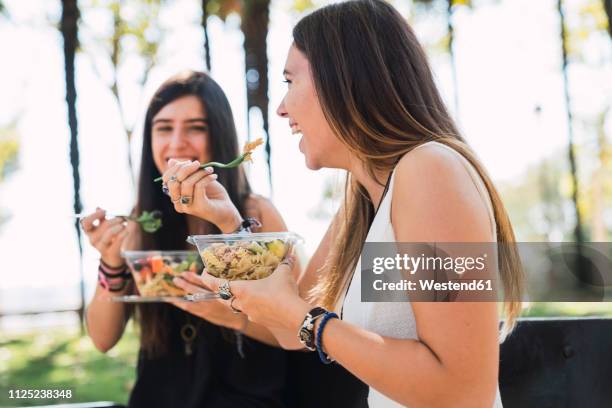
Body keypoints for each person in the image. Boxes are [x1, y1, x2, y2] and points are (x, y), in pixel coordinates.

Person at [171, 1, 524, 407]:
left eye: (290, 81)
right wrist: (229, 221)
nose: (281, 107)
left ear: (344, 79)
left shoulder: (430, 171)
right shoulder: (364, 200)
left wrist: (308, 322)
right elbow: (290, 328)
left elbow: (465, 392)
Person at [81, 71, 293, 408]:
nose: (177, 142)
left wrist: (231, 316)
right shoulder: (140, 221)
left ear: (219, 136)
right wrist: (110, 262)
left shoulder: (256, 213)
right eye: (164, 128)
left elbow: (294, 333)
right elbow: (103, 339)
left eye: (196, 127)